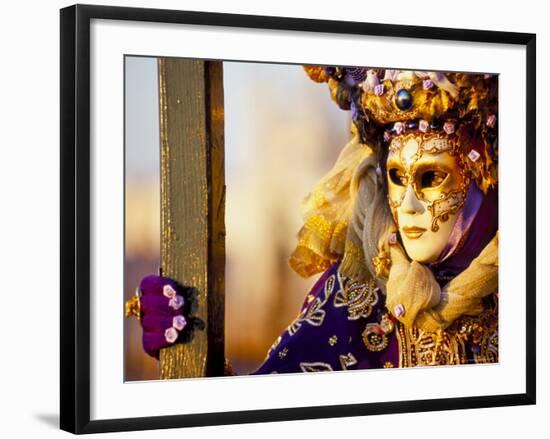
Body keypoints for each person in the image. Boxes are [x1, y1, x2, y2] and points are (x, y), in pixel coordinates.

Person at [126, 66, 499, 374]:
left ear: (481, 176)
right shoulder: (354, 300)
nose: (409, 205)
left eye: (432, 178)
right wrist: (191, 347)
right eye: (397, 178)